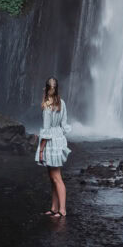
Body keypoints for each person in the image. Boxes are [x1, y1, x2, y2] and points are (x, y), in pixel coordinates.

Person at [36, 76, 72, 218]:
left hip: (50, 141)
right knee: (53, 177)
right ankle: (54, 207)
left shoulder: (47, 105)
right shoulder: (61, 103)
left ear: (46, 89)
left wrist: (41, 149)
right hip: (58, 138)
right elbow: (64, 125)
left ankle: (62, 210)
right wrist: (60, 138)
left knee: (56, 177)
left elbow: (46, 130)